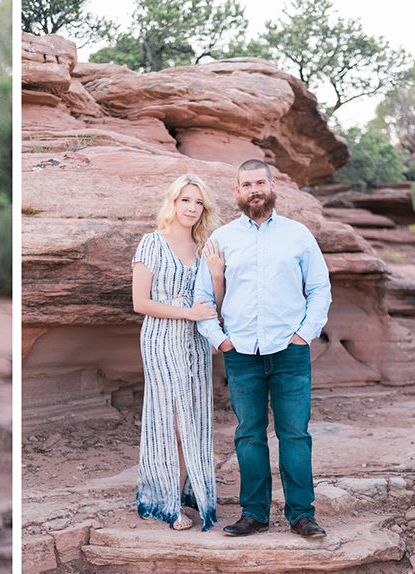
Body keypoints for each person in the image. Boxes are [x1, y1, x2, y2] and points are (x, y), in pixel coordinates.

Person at [194, 159, 331, 539]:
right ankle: (253, 513)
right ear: (237, 192)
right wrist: (219, 339)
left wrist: (305, 333)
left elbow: (320, 288)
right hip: (241, 352)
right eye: (246, 184)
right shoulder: (221, 239)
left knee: (295, 435)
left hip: (289, 350)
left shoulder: (298, 234)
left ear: (273, 187)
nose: (254, 189)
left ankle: (302, 515)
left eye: (260, 182)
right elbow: (203, 296)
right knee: (249, 434)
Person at [131, 174, 221, 532]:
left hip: (196, 342)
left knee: (193, 421)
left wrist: (216, 275)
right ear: (173, 202)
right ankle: (166, 503)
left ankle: (185, 490)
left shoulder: (205, 250)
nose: (192, 208)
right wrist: (188, 312)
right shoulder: (152, 243)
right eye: (186, 200)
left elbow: (215, 304)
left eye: (198, 202)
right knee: (172, 423)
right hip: (160, 339)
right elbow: (140, 303)